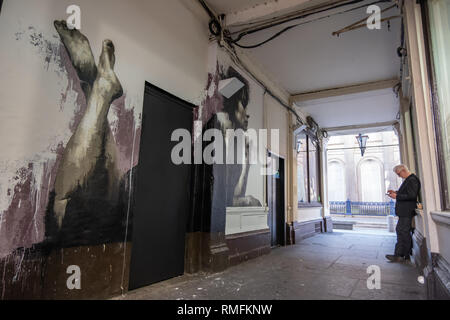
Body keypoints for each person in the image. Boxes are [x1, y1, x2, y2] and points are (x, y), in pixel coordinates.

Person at [386, 164, 421, 262]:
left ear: (404, 171)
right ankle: (401, 254)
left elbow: (412, 195)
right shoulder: (409, 180)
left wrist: (396, 196)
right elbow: (407, 193)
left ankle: (402, 255)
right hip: (405, 211)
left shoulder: (412, 180)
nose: (399, 176)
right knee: (401, 231)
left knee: (403, 232)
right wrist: (396, 192)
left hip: (406, 211)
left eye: (398, 174)